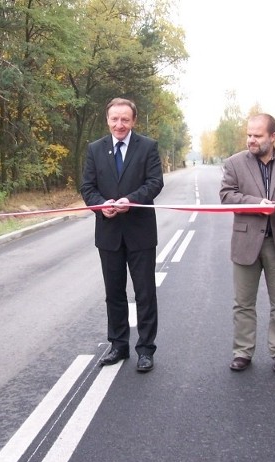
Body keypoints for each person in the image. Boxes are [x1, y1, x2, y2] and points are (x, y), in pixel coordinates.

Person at [219, 114, 275, 373]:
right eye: (249, 135)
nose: (251, 140)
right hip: (246, 241)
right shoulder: (234, 163)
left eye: (257, 135)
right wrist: (256, 204)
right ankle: (243, 352)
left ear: (273, 137)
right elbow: (227, 195)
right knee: (243, 302)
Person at [81, 98, 164, 372]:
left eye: (125, 120)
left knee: (144, 293)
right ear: (107, 119)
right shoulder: (95, 150)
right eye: (115, 119)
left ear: (133, 121)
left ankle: (145, 349)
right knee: (114, 293)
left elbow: (155, 182)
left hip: (140, 232)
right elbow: (87, 188)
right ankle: (118, 345)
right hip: (109, 234)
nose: (119, 124)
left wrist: (131, 199)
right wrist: (100, 205)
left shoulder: (148, 147)